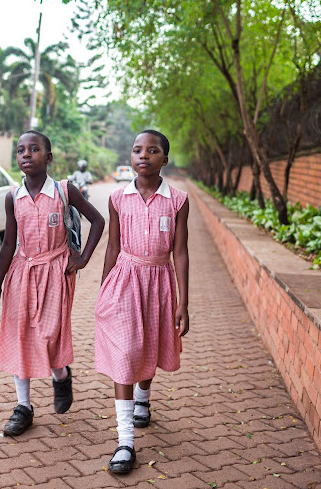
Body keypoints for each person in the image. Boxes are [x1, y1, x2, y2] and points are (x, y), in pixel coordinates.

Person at [0, 130, 105, 436]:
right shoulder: (12, 197)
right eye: (20, 150)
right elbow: (7, 245)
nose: (26, 154)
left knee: (49, 335)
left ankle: (61, 375)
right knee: (20, 336)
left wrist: (82, 259)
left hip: (57, 271)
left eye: (34, 149)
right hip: (21, 272)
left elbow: (98, 221)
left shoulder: (66, 190)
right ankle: (23, 407)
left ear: (48, 157)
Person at [93, 129, 190, 474]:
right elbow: (112, 246)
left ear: (165, 159)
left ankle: (143, 400)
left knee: (149, 346)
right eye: (137, 150)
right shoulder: (118, 198)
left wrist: (184, 302)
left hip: (160, 281)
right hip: (124, 279)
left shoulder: (177, 200)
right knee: (125, 352)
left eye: (152, 151)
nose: (143, 156)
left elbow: (180, 251)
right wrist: (104, 287)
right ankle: (125, 441)